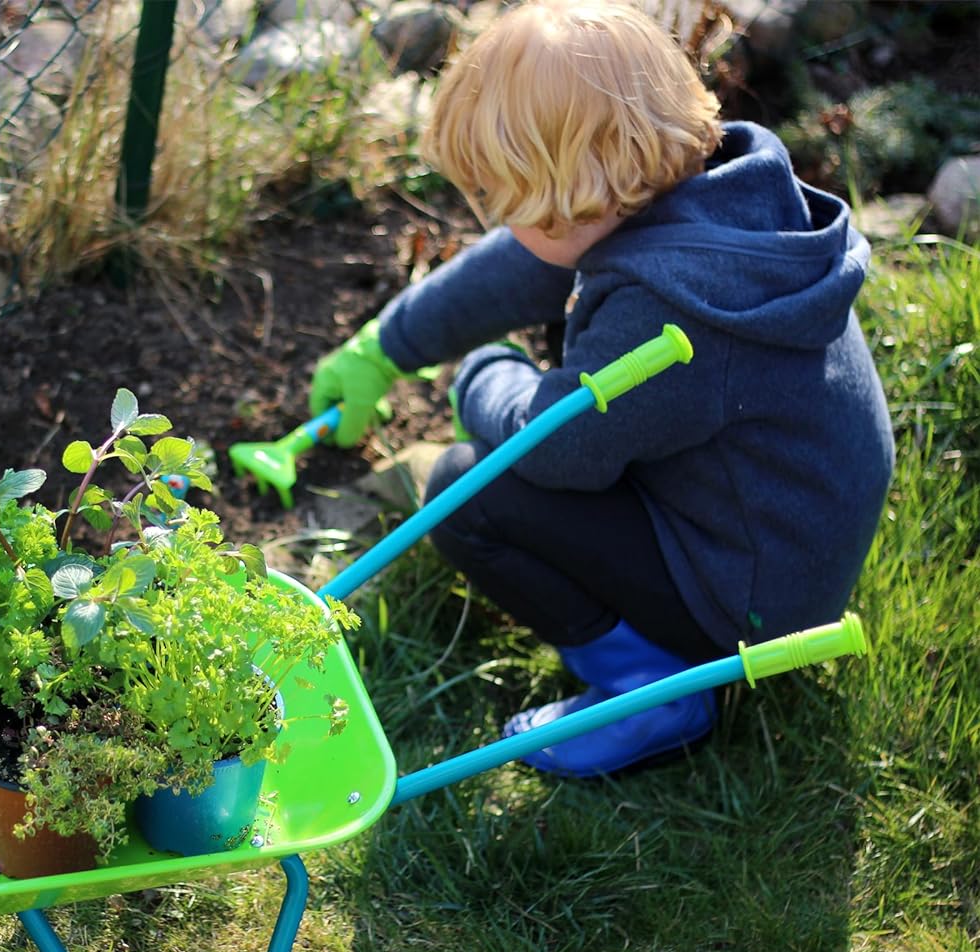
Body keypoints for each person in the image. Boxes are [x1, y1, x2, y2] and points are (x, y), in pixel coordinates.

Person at [308, 0, 894, 776]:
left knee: (468, 492)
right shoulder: (722, 193)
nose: (495, 218)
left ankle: (652, 688)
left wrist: (480, 374)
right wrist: (389, 344)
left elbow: (552, 451)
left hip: (752, 601)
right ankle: (656, 658)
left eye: (504, 199)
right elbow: (526, 264)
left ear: (578, 192)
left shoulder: (674, 312)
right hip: (776, 534)